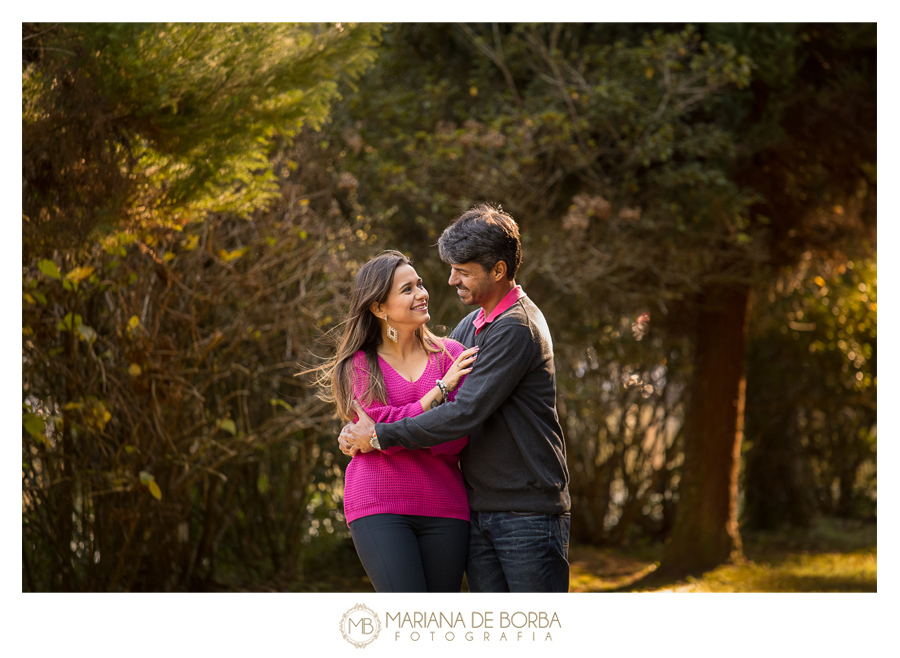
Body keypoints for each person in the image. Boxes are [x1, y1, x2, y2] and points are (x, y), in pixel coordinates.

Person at [340, 204, 571, 593]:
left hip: (525, 509)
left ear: (497, 270)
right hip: (481, 507)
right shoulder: (472, 325)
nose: (450, 281)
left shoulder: (516, 327)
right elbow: (438, 395)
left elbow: (462, 413)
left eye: (462, 271)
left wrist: (379, 436)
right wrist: (357, 432)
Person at [308, 250, 479, 592]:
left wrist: (389, 433)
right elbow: (374, 426)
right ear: (379, 308)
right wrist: (437, 395)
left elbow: (456, 436)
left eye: (420, 284)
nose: (422, 294)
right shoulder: (360, 365)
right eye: (407, 289)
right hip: (379, 503)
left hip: (446, 505)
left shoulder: (452, 355)